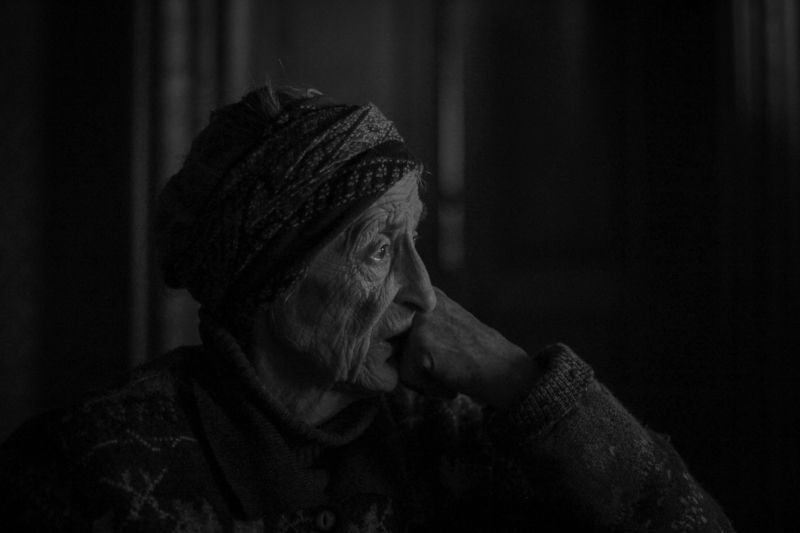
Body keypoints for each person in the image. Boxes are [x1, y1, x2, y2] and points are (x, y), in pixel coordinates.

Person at [0, 85, 735, 532]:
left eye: (412, 237)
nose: (425, 292)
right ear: (269, 280)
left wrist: (522, 383)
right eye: (379, 249)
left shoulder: (450, 436)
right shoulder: (98, 466)